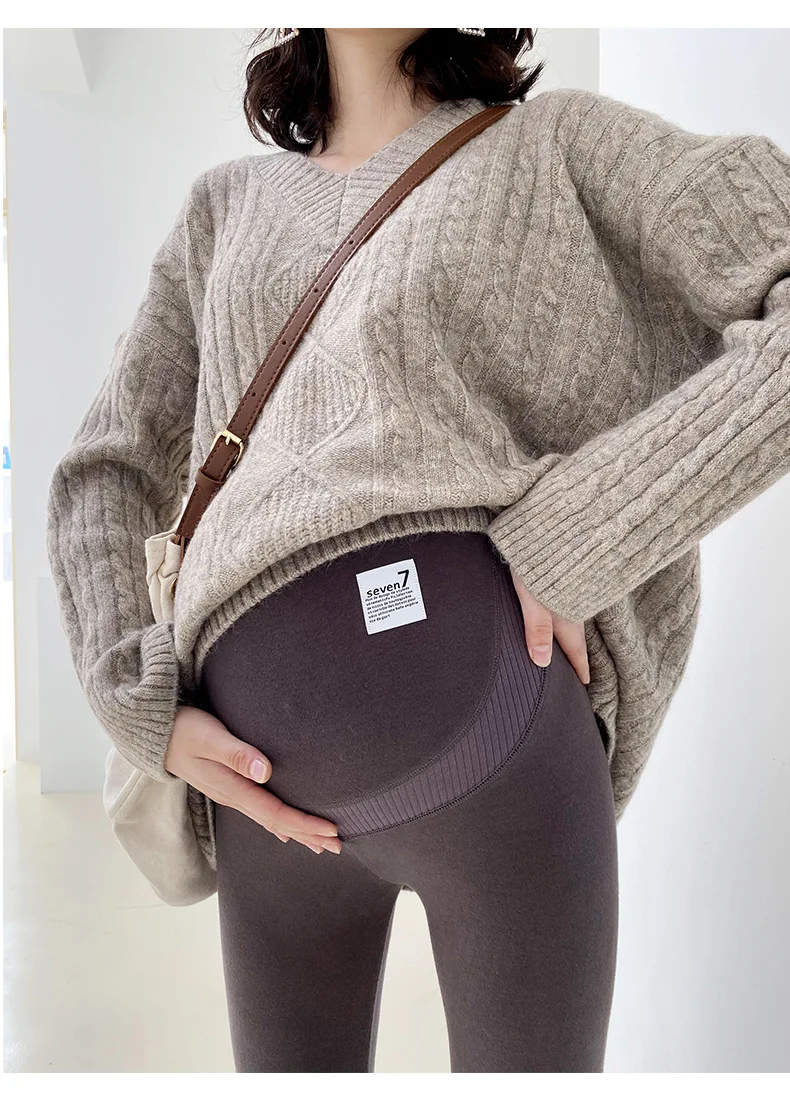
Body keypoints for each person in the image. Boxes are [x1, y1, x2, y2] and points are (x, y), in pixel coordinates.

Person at [45, 28, 790, 1073]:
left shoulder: (557, 143)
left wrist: (586, 531)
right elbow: (104, 465)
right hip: (260, 798)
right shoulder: (223, 207)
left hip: (494, 732)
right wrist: (139, 700)